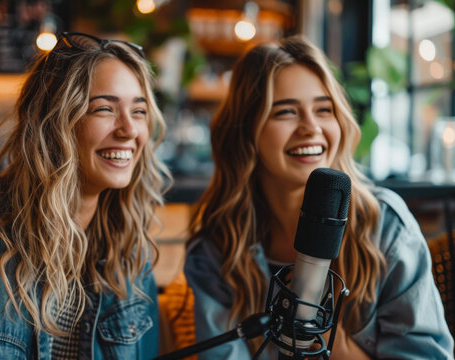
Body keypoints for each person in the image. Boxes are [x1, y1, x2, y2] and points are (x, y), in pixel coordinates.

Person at [184, 35, 454, 359]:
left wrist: (318, 331)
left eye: (324, 109)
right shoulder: (216, 249)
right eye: (285, 112)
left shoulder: (386, 229)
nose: (311, 127)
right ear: (246, 131)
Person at [0, 31, 170, 359]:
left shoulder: (131, 250)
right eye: (104, 109)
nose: (130, 130)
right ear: (54, 121)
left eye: (139, 111)